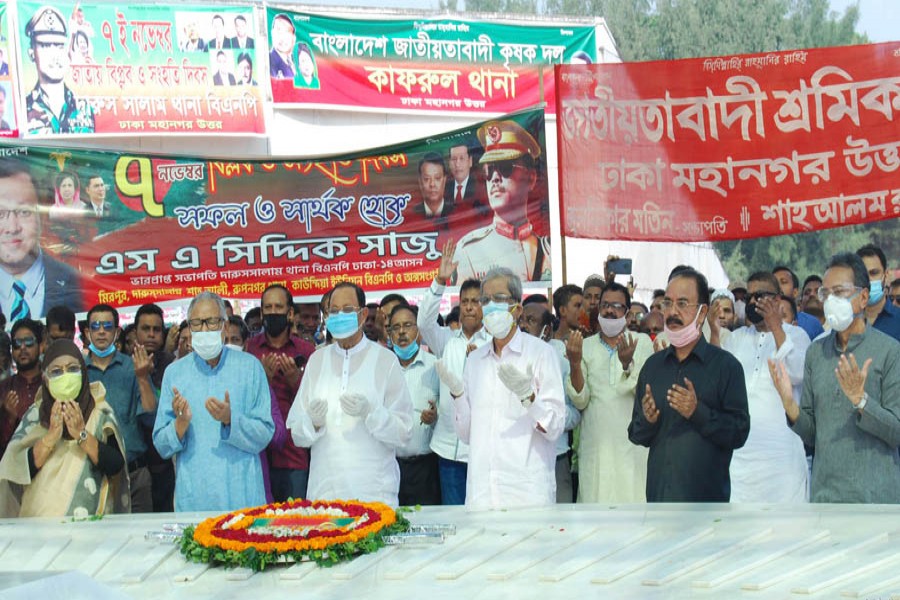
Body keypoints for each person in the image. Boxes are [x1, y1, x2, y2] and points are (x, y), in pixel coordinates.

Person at [772, 252, 900, 503]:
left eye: (839, 292)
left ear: (863, 297)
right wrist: (790, 406)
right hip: (826, 497)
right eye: (826, 293)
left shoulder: (890, 352)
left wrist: (861, 401)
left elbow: (896, 431)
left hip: (876, 499)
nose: (830, 301)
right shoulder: (816, 353)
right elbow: (812, 435)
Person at [436, 267, 564, 509]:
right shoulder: (475, 360)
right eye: (486, 300)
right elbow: (466, 435)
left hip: (527, 495)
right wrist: (457, 394)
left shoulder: (540, 354)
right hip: (483, 494)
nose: (491, 306)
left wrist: (529, 398)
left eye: (499, 298)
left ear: (517, 309)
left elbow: (555, 427)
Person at [628, 268, 750, 502]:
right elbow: (636, 434)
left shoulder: (726, 367)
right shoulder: (653, 367)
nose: (672, 312)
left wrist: (698, 412)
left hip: (706, 507)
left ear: (702, 312)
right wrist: (648, 420)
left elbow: (739, 433)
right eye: (667, 303)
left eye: (682, 304)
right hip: (659, 503)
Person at [286, 282, 413, 507]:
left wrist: (372, 413)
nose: (339, 316)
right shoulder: (317, 361)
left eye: (346, 310)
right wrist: (312, 423)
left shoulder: (386, 361)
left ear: (362, 315)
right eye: (333, 311)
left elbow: (404, 433)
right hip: (324, 495)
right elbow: (296, 434)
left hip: (375, 495)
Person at [153, 292, 275, 511]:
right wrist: (180, 425)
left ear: (225, 327)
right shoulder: (175, 373)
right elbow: (161, 445)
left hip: (243, 500)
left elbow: (265, 433)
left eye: (211, 322)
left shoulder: (250, 367)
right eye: (197, 324)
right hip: (194, 500)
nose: (204, 330)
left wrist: (231, 420)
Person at [0, 340, 128, 517]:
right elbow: (15, 470)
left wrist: (82, 435)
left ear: (83, 372)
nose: (65, 376)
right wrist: (50, 438)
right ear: (45, 379)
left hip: (89, 522)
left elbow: (115, 466)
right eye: (56, 371)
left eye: (72, 369)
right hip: (39, 521)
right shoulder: (35, 415)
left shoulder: (100, 412)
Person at [711, 272, 810, 503]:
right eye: (749, 297)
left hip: (782, 462)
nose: (753, 302)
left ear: (777, 300)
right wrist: (715, 334)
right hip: (741, 462)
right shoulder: (736, 338)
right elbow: (716, 380)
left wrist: (776, 327)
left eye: (760, 296)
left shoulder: (797, 335)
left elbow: (797, 373)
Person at [417, 239, 493, 505]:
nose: (470, 307)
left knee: (483, 516)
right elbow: (423, 322)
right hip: (448, 450)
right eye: (465, 301)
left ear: (485, 305)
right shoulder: (446, 341)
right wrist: (440, 281)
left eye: (476, 301)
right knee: (455, 519)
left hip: (484, 450)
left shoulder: (494, 343)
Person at [567, 282, 653, 503]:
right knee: (596, 506)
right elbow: (580, 400)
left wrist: (626, 364)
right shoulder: (585, 346)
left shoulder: (642, 343)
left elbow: (645, 391)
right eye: (605, 305)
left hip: (633, 449)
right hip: (597, 447)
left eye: (617, 306)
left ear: (627, 312)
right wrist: (575, 363)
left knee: (634, 506)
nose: (610, 311)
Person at [454, 120, 550, 282]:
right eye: (489, 170)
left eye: (505, 167)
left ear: (531, 178)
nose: (495, 178)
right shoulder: (469, 251)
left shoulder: (548, 251)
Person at [85, 304, 156, 512]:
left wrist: (142, 378)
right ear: (87, 333)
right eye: (95, 326)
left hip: (135, 473)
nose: (101, 331)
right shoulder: (78, 371)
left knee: (142, 532)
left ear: (117, 332)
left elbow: (152, 417)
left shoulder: (133, 367)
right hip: (92, 474)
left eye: (107, 326)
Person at [246, 284, 314, 503]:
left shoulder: (306, 351)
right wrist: (262, 383)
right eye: (268, 308)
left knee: (295, 519)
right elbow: (243, 400)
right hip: (258, 454)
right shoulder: (250, 350)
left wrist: (296, 382)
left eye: (278, 307)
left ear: (290, 313)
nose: (273, 312)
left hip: (294, 456)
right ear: (261, 313)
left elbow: (315, 403)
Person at [0, 160, 84, 320]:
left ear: (42, 216)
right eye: (0, 214)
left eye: (24, 212)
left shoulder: (74, 281)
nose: (12, 227)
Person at [524, 302, 580, 502]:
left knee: (559, 518)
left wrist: (548, 416)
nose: (523, 326)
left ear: (546, 330)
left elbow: (575, 414)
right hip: (520, 459)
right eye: (521, 320)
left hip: (556, 458)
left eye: (531, 321)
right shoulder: (508, 359)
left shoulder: (562, 361)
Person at [389, 305, 441, 506]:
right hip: (390, 466)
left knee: (427, 520)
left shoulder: (435, 365)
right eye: (396, 327)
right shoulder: (384, 367)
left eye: (408, 325)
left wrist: (435, 416)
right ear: (390, 333)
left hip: (426, 468)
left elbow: (448, 413)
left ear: (419, 330)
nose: (402, 332)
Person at [24, 6, 94, 134]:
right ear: (32, 53)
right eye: (45, 46)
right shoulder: (23, 109)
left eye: (59, 45)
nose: (55, 55)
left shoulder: (85, 107)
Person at [0, 319, 44, 457]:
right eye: (17, 344)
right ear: (12, 351)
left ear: (40, 346)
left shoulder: (50, 384)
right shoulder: (3, 389)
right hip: (11, 463)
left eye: (28, 341)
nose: (23, 348)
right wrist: (9, 419)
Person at [856, 244, 900, 342]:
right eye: (863, 274)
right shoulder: (846, 321)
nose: (868, 280)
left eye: (874, 273)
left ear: (886, 275)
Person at [773, 266, 825, 341]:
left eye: (783, 282)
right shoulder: (761, 322)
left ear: (795, 292)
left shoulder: (811, 324)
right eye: (774, 284)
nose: (778, 287)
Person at [445, 142, 487, 218]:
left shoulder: (480, 187)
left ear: (470, 161)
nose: (457, 164)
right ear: (449, 163)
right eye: (454, 159)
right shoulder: (443, 188)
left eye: (462, 158)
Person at [414, 152, 453, 221]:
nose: (432, 184)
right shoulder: (413, 214)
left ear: (444, 180)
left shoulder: (457, 212)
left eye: (437, 178)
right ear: (420, 182)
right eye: (427, 179)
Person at [269, 14, 295, 79]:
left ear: (293, 37)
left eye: (287, 31)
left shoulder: (295, 61)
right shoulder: (269, 60)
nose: (282, 37)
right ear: (272, 33)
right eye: (279, 31)